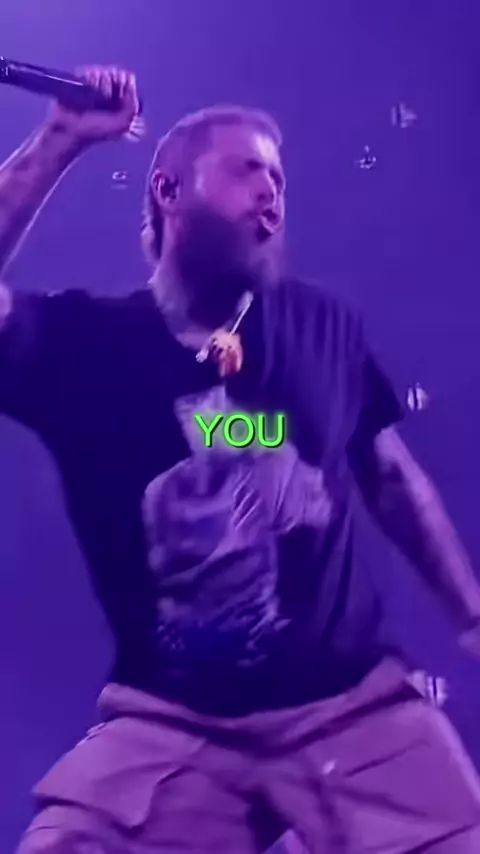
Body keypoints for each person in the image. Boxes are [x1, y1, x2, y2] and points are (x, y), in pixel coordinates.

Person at [1, 65, 480, 854]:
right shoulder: (84, 343)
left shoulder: (323, 325)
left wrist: (471, 615)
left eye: (279, 177)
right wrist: (59, 139)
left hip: (353, 708)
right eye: (247, 169)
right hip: (171, 721)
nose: (271, 191)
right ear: (168, 190)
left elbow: (393, 480)